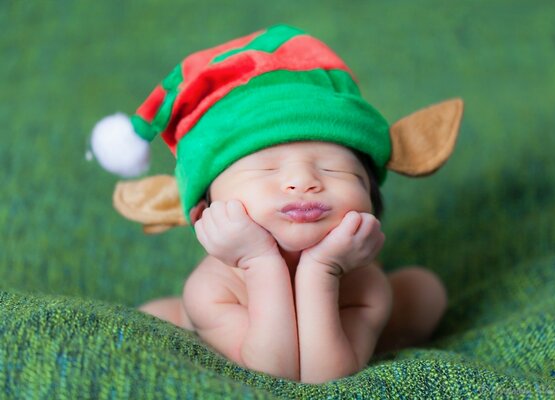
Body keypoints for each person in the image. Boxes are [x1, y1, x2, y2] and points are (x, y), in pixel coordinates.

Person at [90, 24, 463, 383]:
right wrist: (259, 261)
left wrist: (324, 268)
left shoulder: (365, 284)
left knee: (423, 291)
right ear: (206, 215)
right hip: (225, 335)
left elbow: (323, 377)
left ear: (372, 203)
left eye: (336, 170)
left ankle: (384, 337)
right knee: (154, 318)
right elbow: (275, 374)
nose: (303, 181)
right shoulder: (212, 289)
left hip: (348, 317)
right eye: (265, 168)